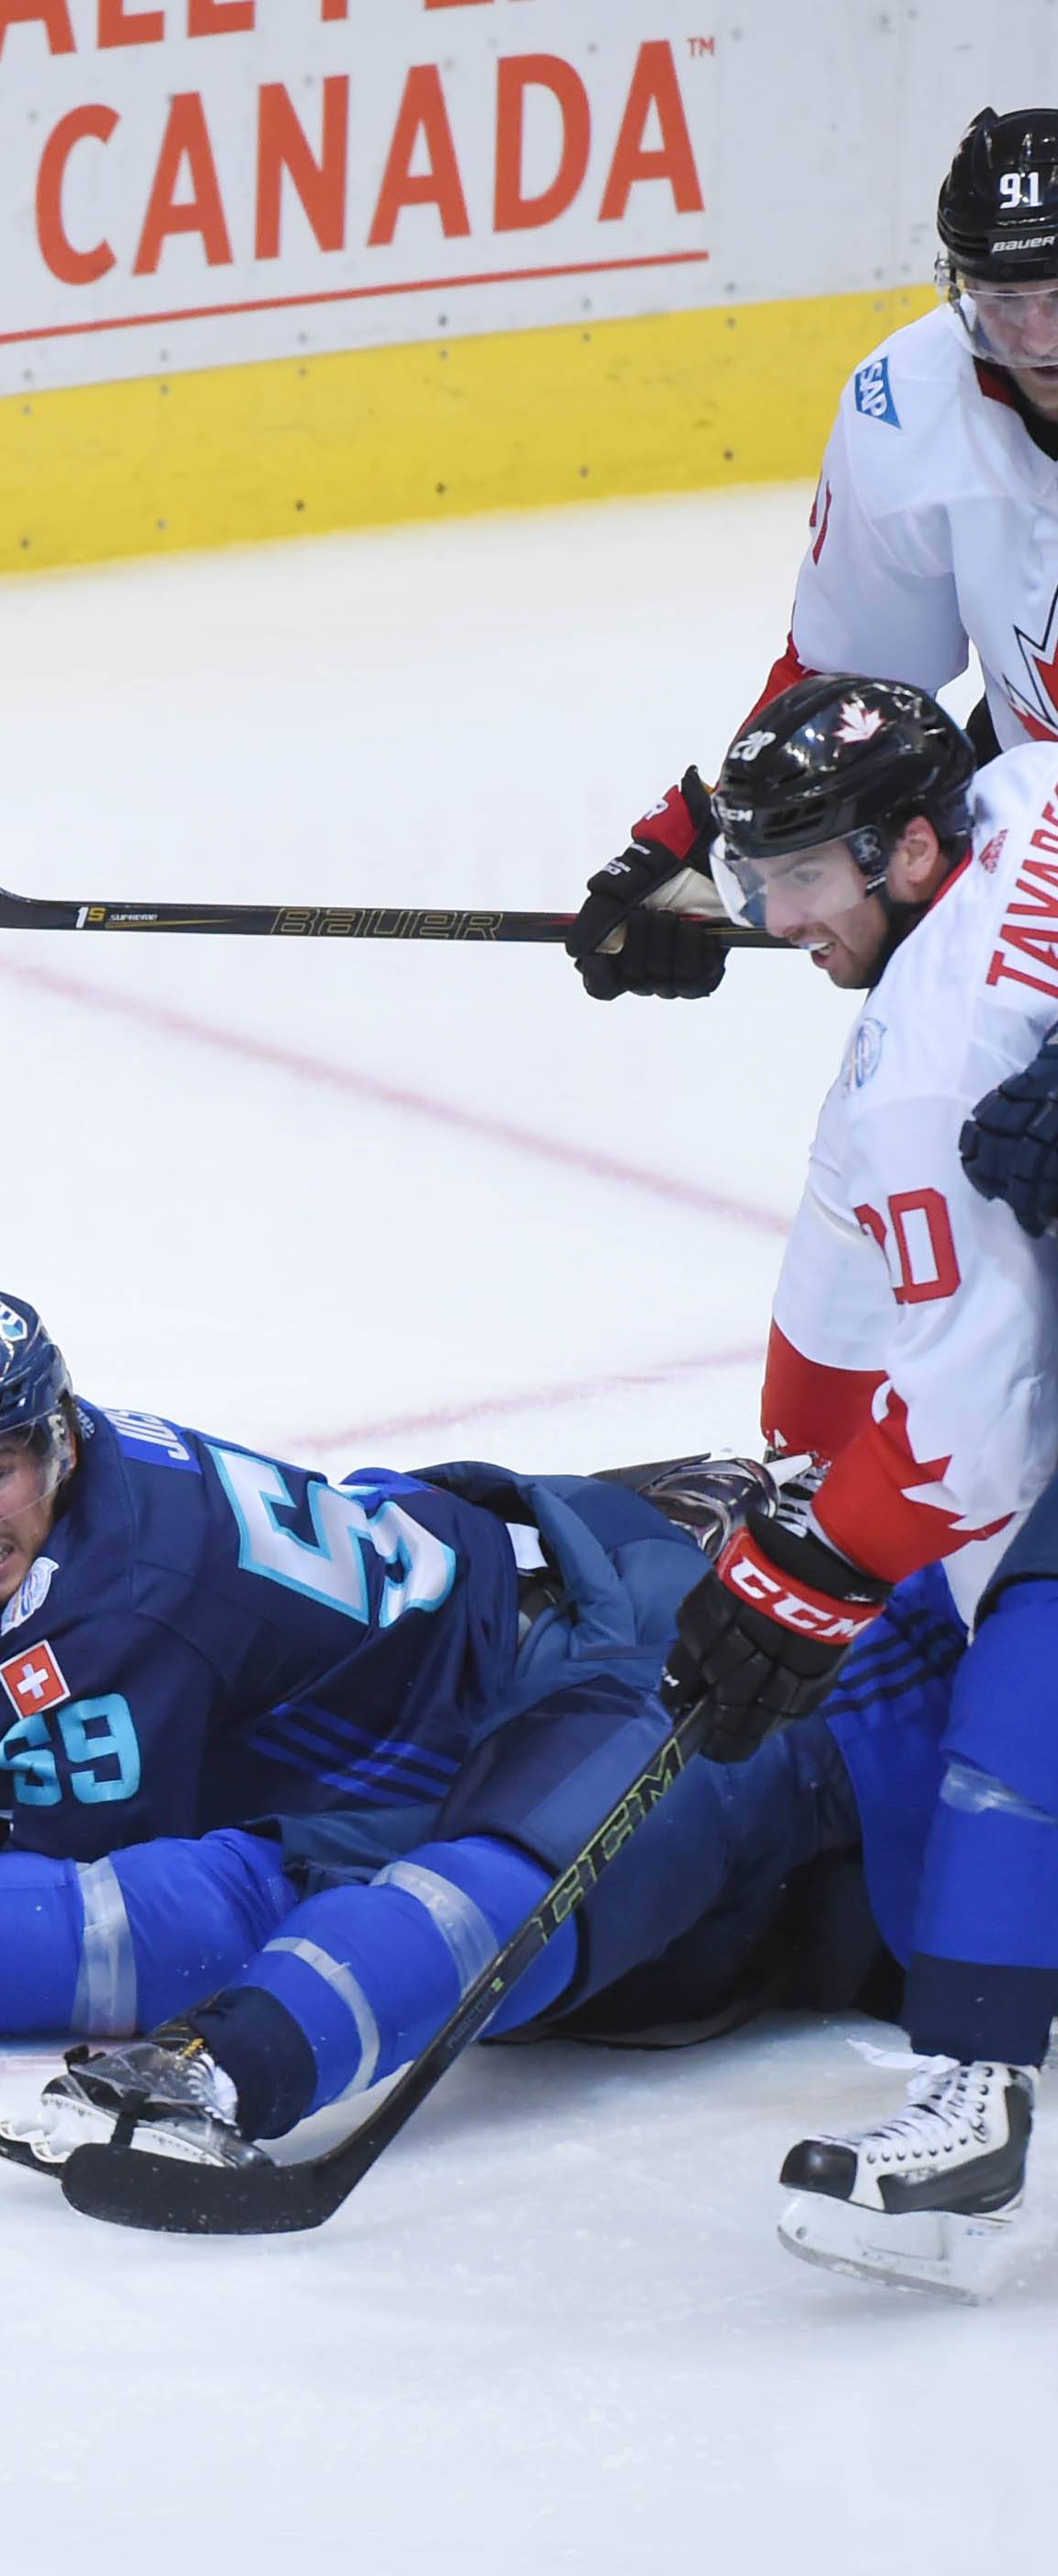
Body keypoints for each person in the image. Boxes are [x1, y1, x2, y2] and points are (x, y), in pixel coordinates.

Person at [0, 1294, 903, 2158]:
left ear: (56, 1443)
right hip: (374, 1746)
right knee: (207, 1904)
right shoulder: (1, 1520)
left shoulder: (119, 1618)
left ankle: (238, 2072)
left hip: (577, 1661)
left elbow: (63, 1855)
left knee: (489, 1888)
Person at [652, 669, 1058, 2295]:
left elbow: (985, 1415)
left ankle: (974, 2092)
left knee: (1029, 1659)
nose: (772, 919)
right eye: (753, 881)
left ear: (903, 852)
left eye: (798, 878)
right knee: (963, 1638)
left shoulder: (927, 1066)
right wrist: (803, 1489)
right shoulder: (1027, 787)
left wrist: (816, 1560)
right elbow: (836, 1307)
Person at [564, 106, 1058, 1006]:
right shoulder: (910, 404)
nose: (1037, 342)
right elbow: (854, 678)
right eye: (1004, 303)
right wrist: (722, 845)